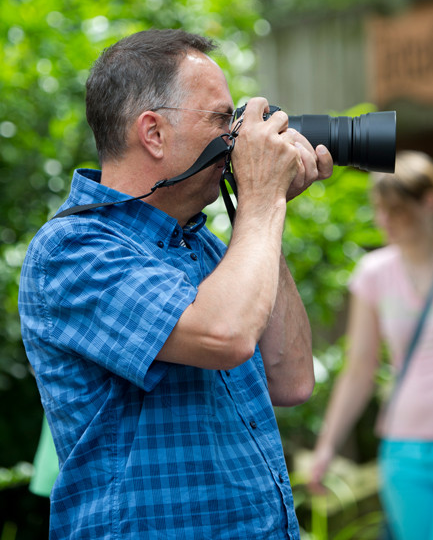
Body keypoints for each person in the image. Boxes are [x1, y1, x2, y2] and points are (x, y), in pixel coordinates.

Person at [18, 29, 333, 540]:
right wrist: (261, 202)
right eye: (220, 119)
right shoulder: (73, 250)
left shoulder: (207, 249)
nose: (236, 137)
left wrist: (268, 212)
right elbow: (224, 335)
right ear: (154, 133)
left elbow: (292, 379)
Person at [309, 151, 433, 540]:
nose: (384, 221)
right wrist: (327, 446)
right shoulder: (374, 274)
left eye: (395, 210)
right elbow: (359, 368)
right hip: (407, 445)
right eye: (379, 210)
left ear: (427, 202)